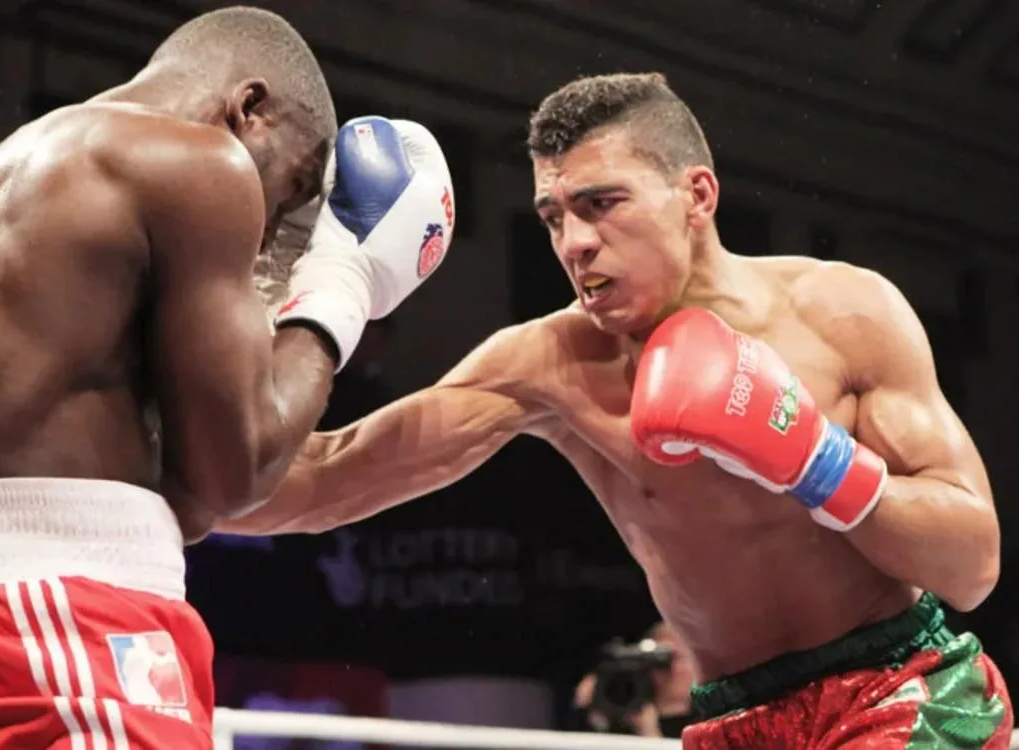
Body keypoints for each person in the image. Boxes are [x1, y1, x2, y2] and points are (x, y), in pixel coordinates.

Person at [217, 72, 1013, 747]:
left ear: (696, 195)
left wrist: (815, 459)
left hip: (899, 687)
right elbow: (320, 482)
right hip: (733, 721)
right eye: (554, 216)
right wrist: (159, 453)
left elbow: (972, 566)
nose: (574, 242)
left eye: (601, 203)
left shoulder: (845, 313)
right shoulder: (552, 363)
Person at [0, 6, 454, 749]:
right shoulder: (198, 162)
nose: (269, 234)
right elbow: (237, 472)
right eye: (294, 185)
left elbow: (186, 499)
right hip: (64, 628)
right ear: (250, 109)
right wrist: (345, 282)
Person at [573, 621, 697, 738]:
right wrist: (588, 709)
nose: (666, 671)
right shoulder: (620, 710)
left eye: (675, 659)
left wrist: (649, 734)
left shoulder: (703, 725)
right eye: (657, 662)